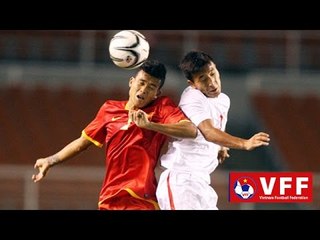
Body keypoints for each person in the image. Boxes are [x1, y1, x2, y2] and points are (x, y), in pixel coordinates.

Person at [32, 59, 197, 210]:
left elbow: (190, 130)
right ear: (131, 82)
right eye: (142, 83)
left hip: (141, 196)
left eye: (152, 87)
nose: (144, 89)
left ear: (157, 94)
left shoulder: (161, 108)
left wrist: (150, 125)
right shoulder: (109, 109)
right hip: (109, 197)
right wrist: (51, 160)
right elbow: (82, 142)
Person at [156, 50, 270, 210]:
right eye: (202, 78)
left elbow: (216, 128)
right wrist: (245, 143)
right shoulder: (192, 98)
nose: (212, 82)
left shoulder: (223, 100)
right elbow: (209, 132)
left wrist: (221, 146)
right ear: (192, 84)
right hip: (181, 181)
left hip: (202, 181)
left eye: (212, 73)